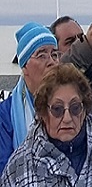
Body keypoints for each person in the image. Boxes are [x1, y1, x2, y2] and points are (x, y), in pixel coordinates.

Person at [0, 22, 60, 173]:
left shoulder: (72, 108)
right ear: (24, 66)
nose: (51, 62)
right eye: (42, 55)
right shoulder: (5, 115)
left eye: (54, 54)